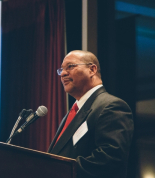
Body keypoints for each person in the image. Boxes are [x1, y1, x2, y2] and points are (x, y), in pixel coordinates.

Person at [48, 50, 134, 178]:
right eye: (61, 70)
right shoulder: (75, 111)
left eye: (70, 66)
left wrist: (58, 170)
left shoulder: (111, 106)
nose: (63, 73)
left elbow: (109, 158)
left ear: (92, 70)